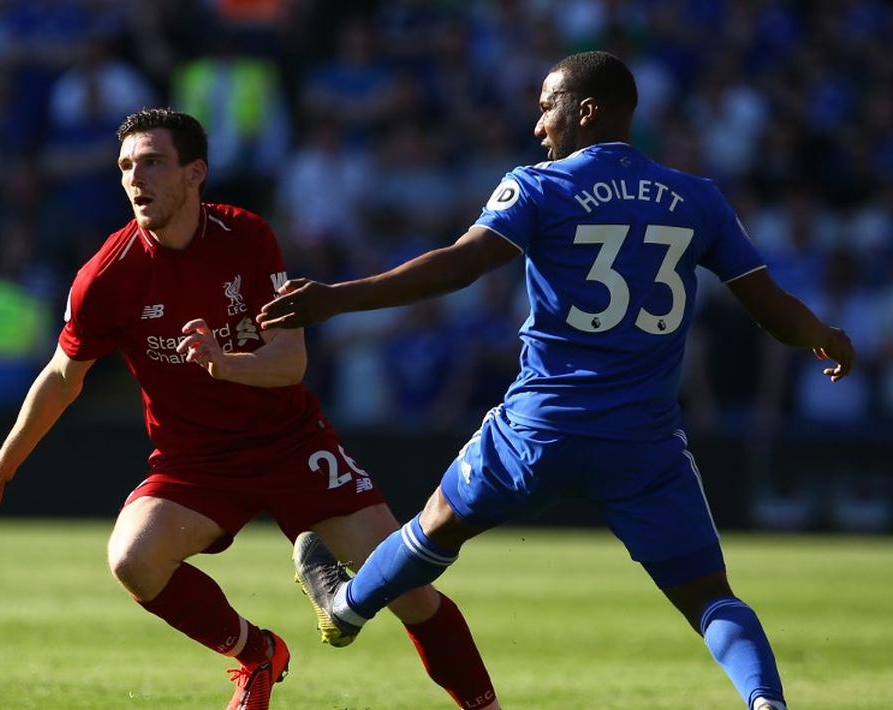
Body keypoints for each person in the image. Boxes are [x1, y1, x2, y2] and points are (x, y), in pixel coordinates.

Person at [258, 52, 855, 710]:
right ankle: (765, 702)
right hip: (643, 443)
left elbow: (459, 267)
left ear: (586, 110)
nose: (539, 123)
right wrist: (821, 335)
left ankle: (344, 609)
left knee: (433, 527)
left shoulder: (538, 187)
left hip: (539, 429)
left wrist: (338, 298)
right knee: (709, 597)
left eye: (547, 105)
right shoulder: (697, 198)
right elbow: (769, 310)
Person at [0, 108, 498, 710]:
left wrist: (224, 363)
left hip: (292, 444)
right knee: (132, 561)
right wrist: (3, 463)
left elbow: (291, 364)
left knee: (411, 593)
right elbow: (62, 378)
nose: (136, 179)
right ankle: (256, 654)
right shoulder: (106, 276)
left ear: (196, 174)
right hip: (196, 462)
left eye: (153, 163)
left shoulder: (247, 238)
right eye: (126, 167)